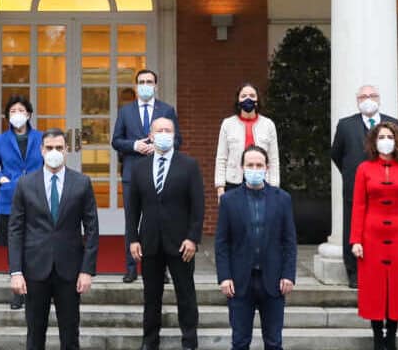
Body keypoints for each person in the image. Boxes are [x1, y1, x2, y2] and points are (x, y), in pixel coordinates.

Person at [8, 128, 100, 350]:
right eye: (49, 148)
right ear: (41, 150)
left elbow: (92, 229)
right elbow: (15, 230)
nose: (54, 152)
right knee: (35, 333)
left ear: (67, 150)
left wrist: (87, 270)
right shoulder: (25, 184)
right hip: (35, 269)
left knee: (70, 334)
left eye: (59, 148)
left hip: (69, 270)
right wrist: (16, 272)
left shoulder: (82, 183)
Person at [127, 117, 204, 350]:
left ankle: (189, 340)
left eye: (167, 130)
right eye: (159, 130)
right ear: (150, 135)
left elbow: (198, 206)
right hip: (150, 242)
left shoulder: (189, 165)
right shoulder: (139, 167)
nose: (163, 133)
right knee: (151, 296)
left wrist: (193, 238)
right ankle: (150, 341)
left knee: (186, 294)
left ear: (174, 135)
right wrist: (132, 239)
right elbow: (132, 209)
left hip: (181, 243)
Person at [214, 146, 297, 350]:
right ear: (242, 168)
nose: (254, 168)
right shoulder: (228, 201)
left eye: (259, 165)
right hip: (240, 281)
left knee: (274, 342)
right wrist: (224, 277)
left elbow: (289, 241)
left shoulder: (282, 199)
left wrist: (288, 274)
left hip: (274, 281)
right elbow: (222, 242)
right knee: (240, 341)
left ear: (267, 168)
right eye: (250, 165)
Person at [351, 120, 398, 350]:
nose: (386, 141)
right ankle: (377, 337)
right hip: (371, 234)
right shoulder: (364, 169)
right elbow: (358, 205)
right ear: (374, 141)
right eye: (381, 137)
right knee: (373, 287)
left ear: (397, 140)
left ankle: (391, 336)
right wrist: (356, 240)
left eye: (389, 137)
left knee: (397, 288)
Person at [110, 68, 179, 283]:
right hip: (133, 172)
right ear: (137, 85)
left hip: (160, 172)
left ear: (156, 86)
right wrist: (135, 145)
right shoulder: (125, 111)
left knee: (161, 219)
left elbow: (178, 140)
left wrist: (159, 146)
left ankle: (163, 268)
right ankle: (131, 267)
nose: (146, 85)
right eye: (142, 81)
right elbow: (116, 140)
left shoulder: (167, 110)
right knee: (132, 219)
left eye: (149, 81)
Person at [331, 84, 398, 288]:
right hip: (354, 187)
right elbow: (336, 154)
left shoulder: (393, 124)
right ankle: (354, 273)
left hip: (386, 187)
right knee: (353, 228)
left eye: (372, 95)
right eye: (363, 96)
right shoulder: (345, 125)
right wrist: (352, 173)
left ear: (379, 99)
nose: (368, 99)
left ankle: (383, 269)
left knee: (384, 228)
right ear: (357, 100)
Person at [0, 95, 43, 310]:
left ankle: (35, 289)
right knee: (14, 247)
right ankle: (17, 291)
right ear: (8, 116)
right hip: (10, 199)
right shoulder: (0, 140)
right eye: (13, 111)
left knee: (36, 245)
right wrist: (2, 179)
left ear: (28, 114)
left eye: (21, 110)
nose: (17, 114)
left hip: (37, 199)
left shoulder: (41, 138)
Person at [214, 82, 280, 200]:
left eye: (252, 96)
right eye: (244, 96)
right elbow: (221, 158)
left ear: (257, 100)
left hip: (263, 181)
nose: (248, 99)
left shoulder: (268, 124)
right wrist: (220, 187)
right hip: (234, 182)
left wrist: (275, 187)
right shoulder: (227, 124)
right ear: (238, 101)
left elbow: (273, 159)